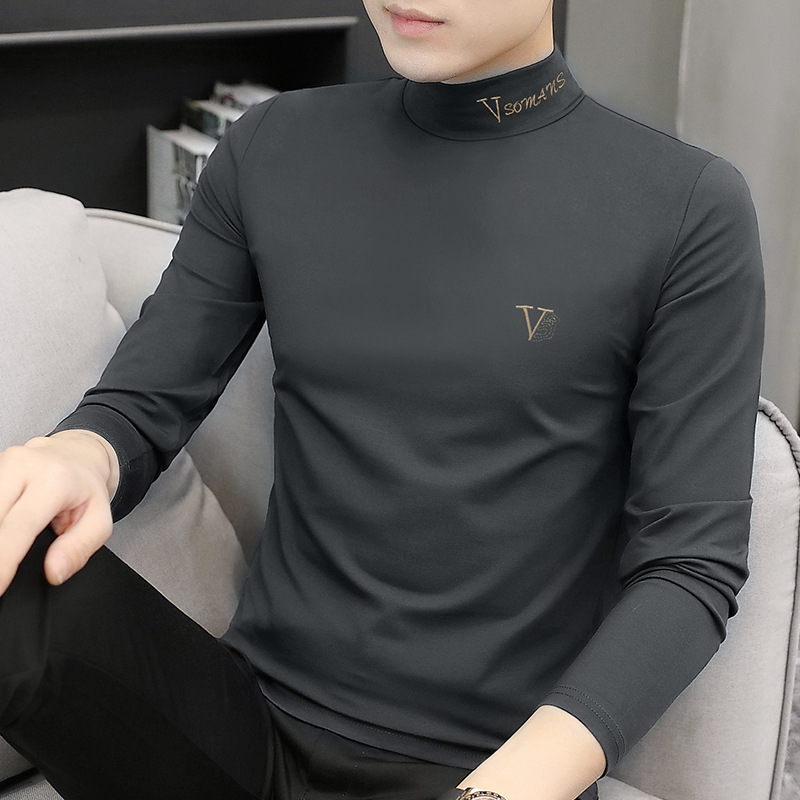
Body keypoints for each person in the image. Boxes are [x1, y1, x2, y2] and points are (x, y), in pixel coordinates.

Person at [0, 1, 765, 799]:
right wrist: (80, 454)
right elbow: (142, 402)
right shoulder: (273, 145)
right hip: (245, 731)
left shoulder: (685, 206)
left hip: (485, 770)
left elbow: (689, 566)